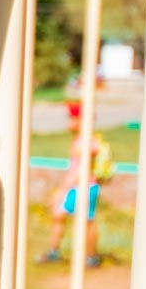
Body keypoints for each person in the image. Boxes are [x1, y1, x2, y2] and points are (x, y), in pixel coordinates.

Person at [39, 101, 114, 268]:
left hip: (83, 186)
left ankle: (91, 257)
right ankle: (55, 251)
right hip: (77, 186)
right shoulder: (81, 141)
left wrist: (62, 191)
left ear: (82, 120)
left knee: (86, 220)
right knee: (59, 215)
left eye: (72, 118)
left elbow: (81, 170)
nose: (69, 122)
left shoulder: (86, 143)